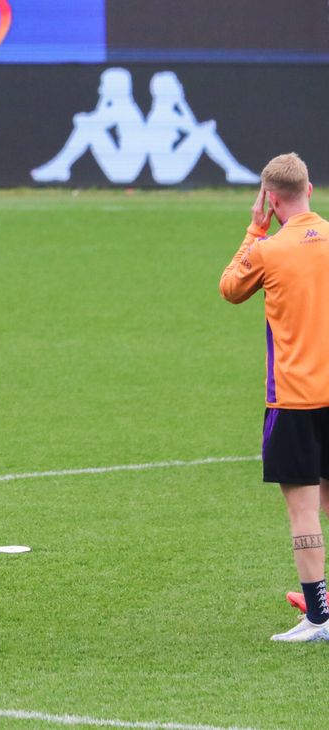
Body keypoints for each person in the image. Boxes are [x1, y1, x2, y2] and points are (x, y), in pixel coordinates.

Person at [219, 152, 329, 642]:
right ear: (309, 188)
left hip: (294, 400)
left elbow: (230, 287)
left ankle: (319, 619)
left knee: (304, 511)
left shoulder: (269, 249)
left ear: (269, 199)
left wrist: (254, 230)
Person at [31, 67, 147, 184]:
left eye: (104, 84)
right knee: (90, 128)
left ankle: (60, 166)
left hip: (124, 172)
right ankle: (60, 166)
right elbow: (96, 117)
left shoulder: (124, 109)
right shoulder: (120, 106)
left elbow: (89, 121)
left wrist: (102, 101)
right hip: (122, 167)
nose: (100, 89)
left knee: (89, 128)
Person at [145, 71, 258, 185]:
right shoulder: (163, 114)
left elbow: (193, 128)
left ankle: (233, 169)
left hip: (168, 168)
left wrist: (181, 101)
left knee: (204, 131)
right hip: (167, 172)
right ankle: (233, 170)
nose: (180, 87)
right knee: (205, 132)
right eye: (176, 84)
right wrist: (181, 101)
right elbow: (194, 128)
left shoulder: (164, 111)